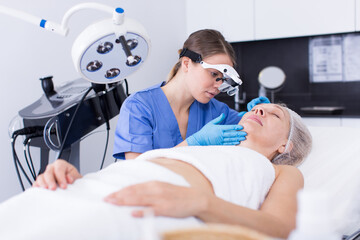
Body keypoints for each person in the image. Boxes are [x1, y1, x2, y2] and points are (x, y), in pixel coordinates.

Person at [0, 103, 312, 240]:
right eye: (259, 107)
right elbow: (138, 168)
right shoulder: (203, 146)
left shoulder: (279, 172)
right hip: (100, 184)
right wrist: (71, 173)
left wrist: (200, 203)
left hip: (152, 205)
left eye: (274, 115)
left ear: (285, 146)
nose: (259, 110)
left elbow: (279, 229)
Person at [113, 29, 269, 160]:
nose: (219, 85)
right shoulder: (139, 106)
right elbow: (136, 172)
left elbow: (252, 129)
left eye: (222, 79)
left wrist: (262, 112)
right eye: (214, 74)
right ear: (186, 63)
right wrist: (194, 143)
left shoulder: (217, 111)